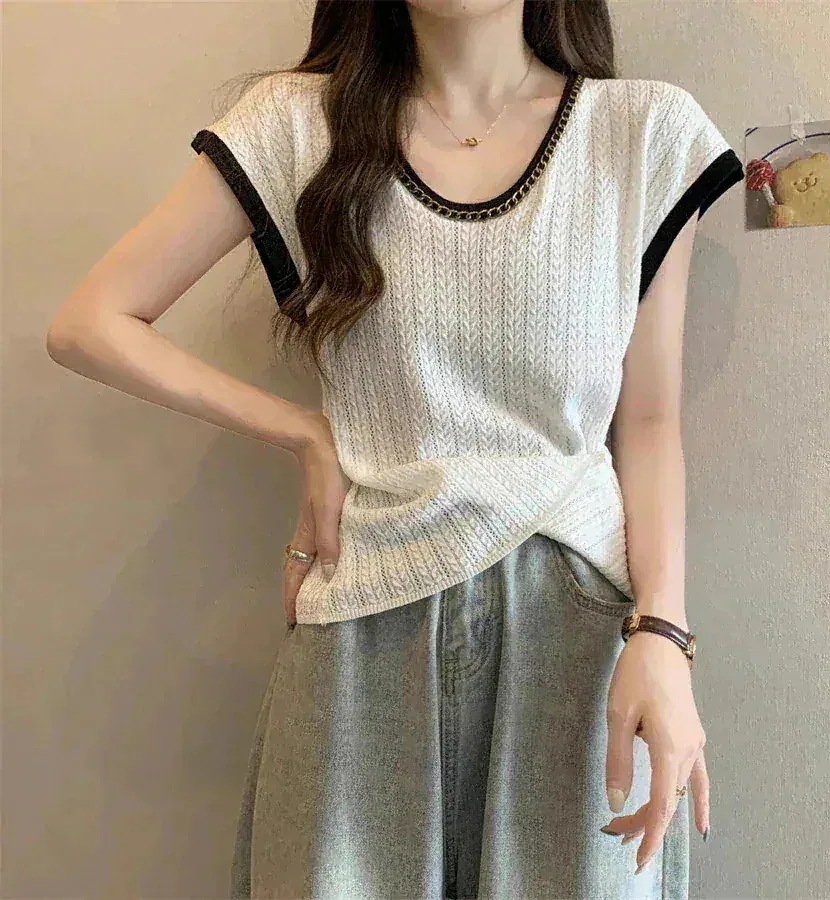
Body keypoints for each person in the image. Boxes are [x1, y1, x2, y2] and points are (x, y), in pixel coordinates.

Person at [45, 1, 744, 897]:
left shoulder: (642, 132)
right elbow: (90, 325)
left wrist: (664, 633)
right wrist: (303, 431)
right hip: (366, 624)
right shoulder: (298, 125)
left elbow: (646, 423)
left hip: (578, 629)